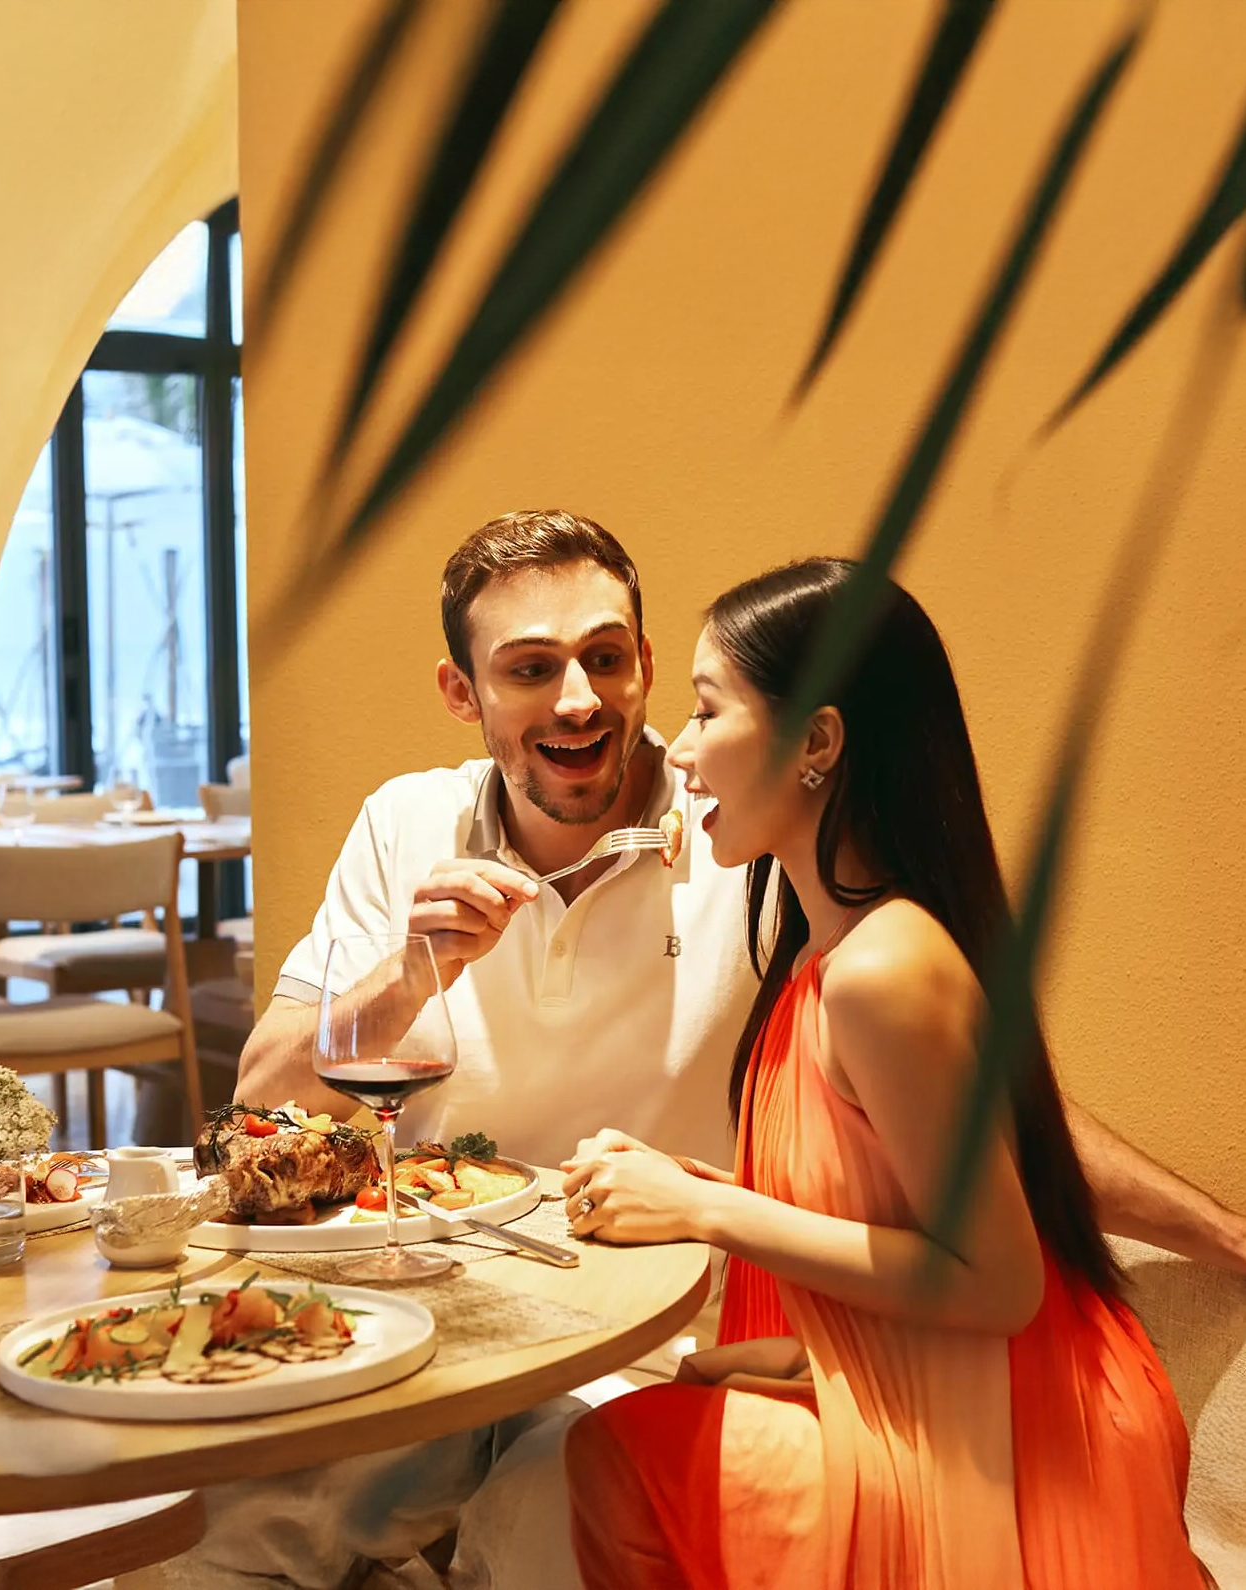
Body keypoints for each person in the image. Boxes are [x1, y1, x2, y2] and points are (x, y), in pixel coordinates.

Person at [192, 516, 1235, 1590]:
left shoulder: (763, 848)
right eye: (529, 669)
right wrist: (410, 973)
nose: (579, 700)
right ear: (464, 694)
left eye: (607, 660)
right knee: (226, 1525)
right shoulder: (406, 823)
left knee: (542, 1510)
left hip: (643, 1349)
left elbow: (983, 1121)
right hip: (431, 1324)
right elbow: (260, 1098)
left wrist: (1222, 1237)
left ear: (642, 666)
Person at [554, 558, 1211, 1589]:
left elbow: (996, 1282)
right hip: (950, 1391)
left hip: (1028, 1435)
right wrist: (695, 1192)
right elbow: (884, 1197)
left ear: (816, 741)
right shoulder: (827, 958)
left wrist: (706, 1212)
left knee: (619, 1456)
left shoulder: (881, 968)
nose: (676, 753)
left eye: (704, 709)